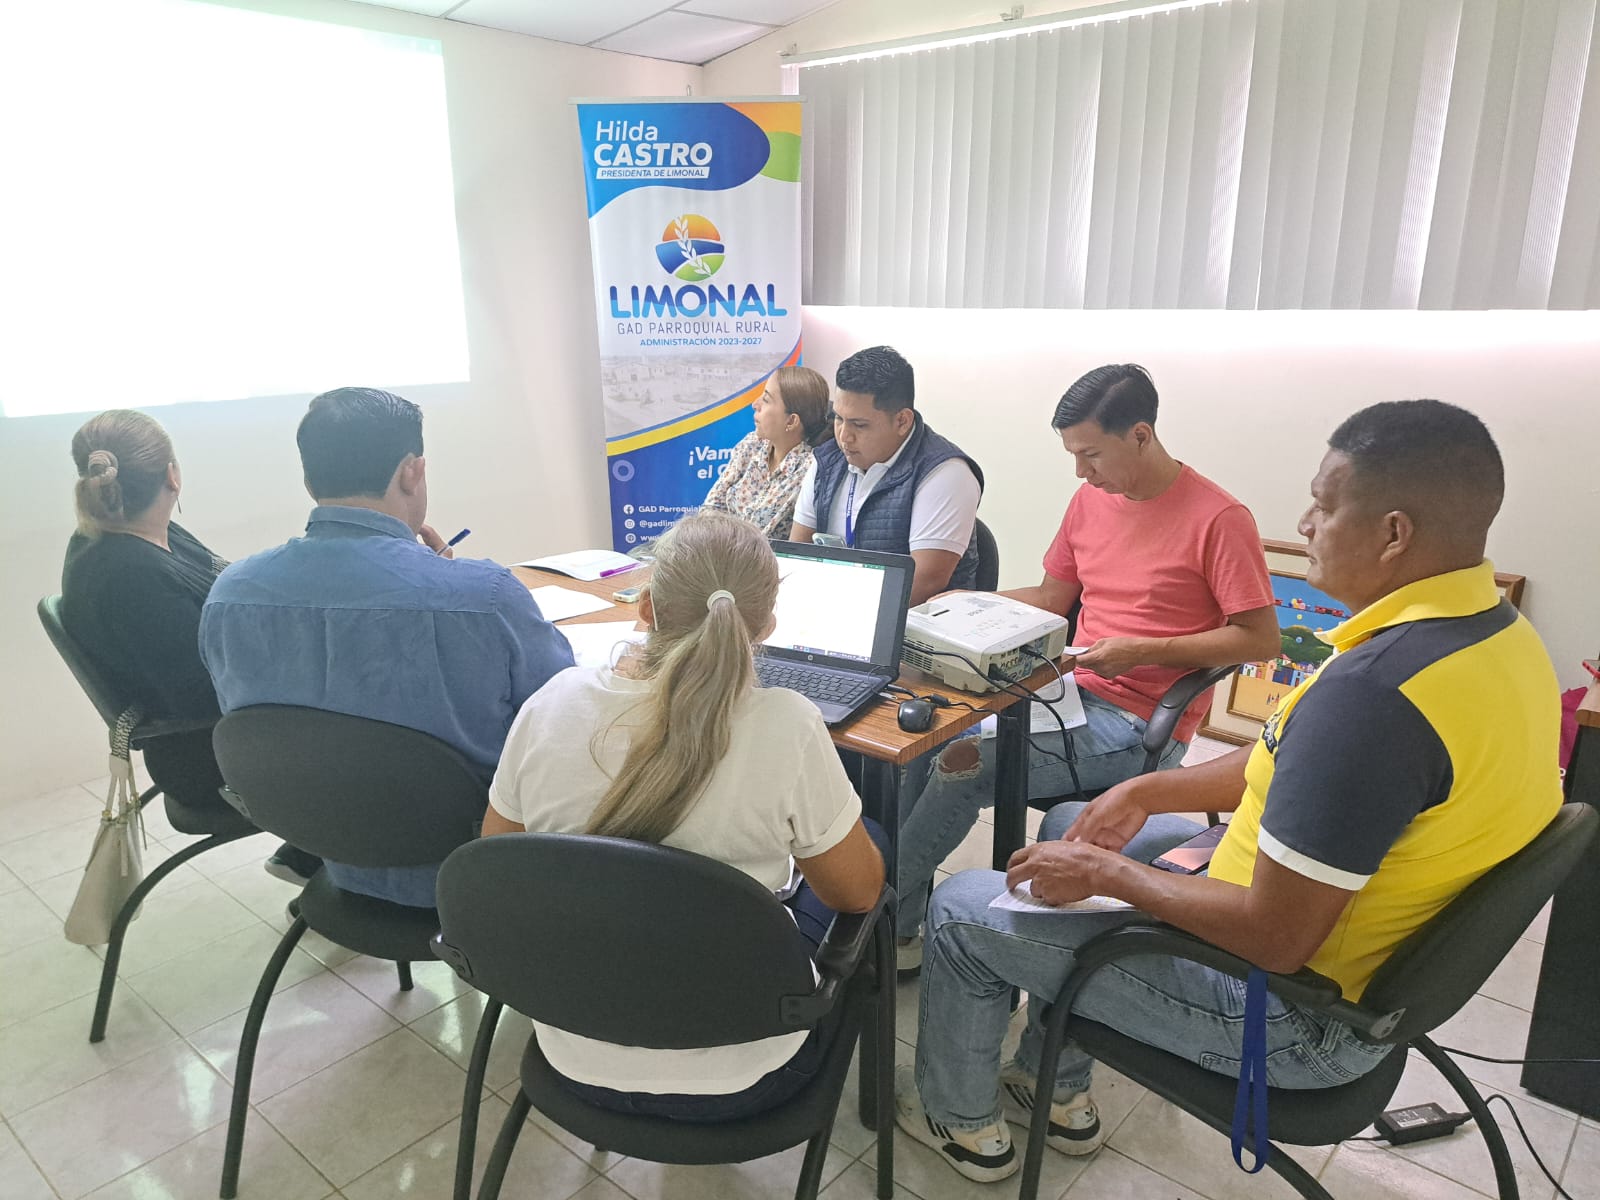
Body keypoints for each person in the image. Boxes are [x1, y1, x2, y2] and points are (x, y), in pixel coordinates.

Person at [896, 399, 1564, 1183]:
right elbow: (1284, 756)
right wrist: (1148, 793)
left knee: (965, 907)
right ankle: (1052, 1083)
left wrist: (1111, 876)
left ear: (1393, 533)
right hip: (1329, 952)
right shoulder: (1495, 637)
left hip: (1292, 1015)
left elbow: (1274, 937)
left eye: (1323, 504)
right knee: (1079, 822)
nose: (1305, 524)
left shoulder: (1373, 699)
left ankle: (962, 1124)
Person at [483, 511, 887, 1119]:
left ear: (645, 608)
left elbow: (500, 860)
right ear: (767, 624)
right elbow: (857, 895)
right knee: (866, 847)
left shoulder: (552, 704)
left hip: (574, 1051)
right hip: (746, 1074)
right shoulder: (789, 726)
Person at [894, 364, 1278, 964]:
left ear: (1141, 435)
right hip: (1068, 689)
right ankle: (899, 925)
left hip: (1140, 720)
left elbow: (1259, 640)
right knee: (925, 741)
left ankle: (871, 916)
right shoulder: (1089, 501)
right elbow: (1052, 599)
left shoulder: (1219, 519)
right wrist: (963, 601)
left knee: (962, 764)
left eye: (1092, 454)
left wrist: (1141, 650)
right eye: (1073, 455)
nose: (1081, 471)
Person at [201, 387, 573, 906]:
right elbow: (562, 715)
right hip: (480, 874)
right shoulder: (486, 597)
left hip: (327, 849)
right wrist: (450, 587)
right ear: (411, 472)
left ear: (309, 480)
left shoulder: (230, 594)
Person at [59, 410, 317, 882]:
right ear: (172, 475)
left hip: (225, 732)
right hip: (210, 757)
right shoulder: (130, 576)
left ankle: (315, 855)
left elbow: (226, 592)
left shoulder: (141, 534)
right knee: (382, 718)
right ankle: (344, 868)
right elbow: (202, 695)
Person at [788, 346, 983, 606]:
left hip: (909, 624)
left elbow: (922, 585)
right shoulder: (828, 458)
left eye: (859, 425)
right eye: (838, 419)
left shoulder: (946, 473)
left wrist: (840, 613)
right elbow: (797, 555)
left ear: (902, 421)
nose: (844, 436)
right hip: (826, 611)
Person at [701, 365, 833, 539]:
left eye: (766, 399)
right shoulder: (753, 444)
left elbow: (761, 537)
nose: (755, 404)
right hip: (719, 548)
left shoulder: (810, 469)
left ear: (791, 421)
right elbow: (710, 509)